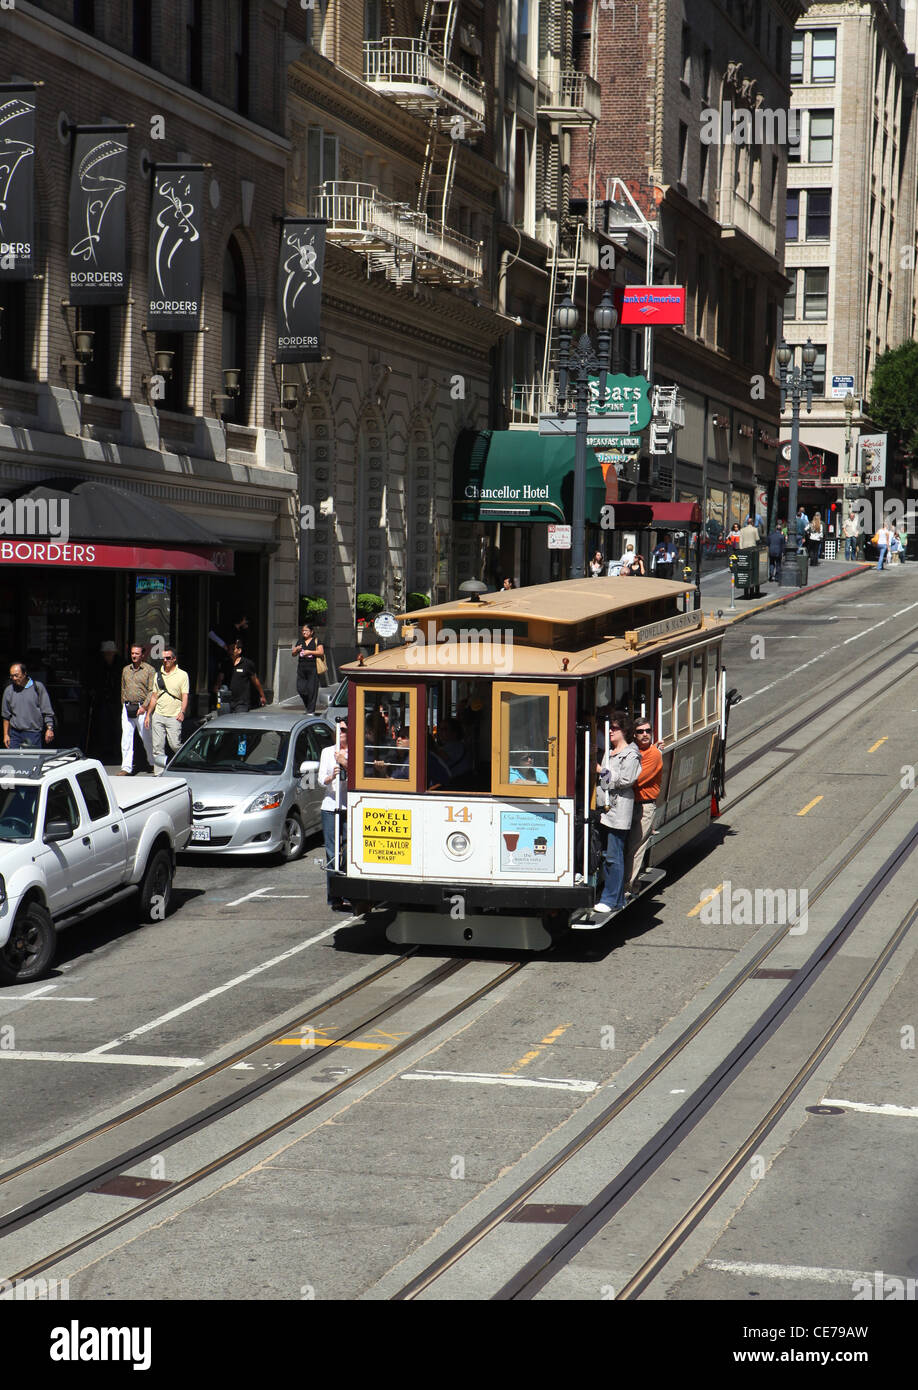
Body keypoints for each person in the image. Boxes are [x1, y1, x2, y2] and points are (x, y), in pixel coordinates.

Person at [593, 710, 641, 916]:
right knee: (605, 854)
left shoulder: (631, 753)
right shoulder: (610, 751)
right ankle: (617, 898)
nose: (610, 731)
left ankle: (610, 899)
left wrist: (600, 772)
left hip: (618, 810)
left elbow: (624, 780)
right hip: (605, 809)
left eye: (614, 728)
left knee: (614, 856)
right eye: (609, 728)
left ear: (624, 730)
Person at [623, 717, 663, 895]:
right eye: (640, 731)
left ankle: (628, 887)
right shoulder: (632, 750)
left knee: (636, 848)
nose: (645, 734)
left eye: (648, 731)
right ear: (634, 734)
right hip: (628, 804)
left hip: (643, 807)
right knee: (626, 846)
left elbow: (635, 780)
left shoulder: (653, 754)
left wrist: (611, 774)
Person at [319, 722, 349, 910]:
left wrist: (345, 762)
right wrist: (332, 775)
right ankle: (334, 896)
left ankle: (348, 890)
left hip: (349, 806)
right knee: (331, 852)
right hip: (330, 805)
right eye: (338, 730)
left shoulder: (355, 751)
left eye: (344, 730)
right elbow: (321, 780)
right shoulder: (327, 752)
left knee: (348, 849)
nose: (341, 733)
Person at [145, 647, 189, 774]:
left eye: (168, 658)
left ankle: (189, 763)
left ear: (174, 659)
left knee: (175, 745)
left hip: (174, 716)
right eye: (163, 658)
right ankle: (159, 773)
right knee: (157, 747)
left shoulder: (182, 675)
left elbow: (185, 695)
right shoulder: (158, 674)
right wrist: (149, 714)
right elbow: (154, 696)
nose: (165, 660)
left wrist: (182, 712)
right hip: (158, 715)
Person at [119, 643, 156, 775]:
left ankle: (153, 763)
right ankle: (126, 768)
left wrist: (145, 707)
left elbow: (152, 690)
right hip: (127, 706)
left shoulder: (149, 670)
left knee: (146, 737)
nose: (134, 656)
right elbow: (123, 687)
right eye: (132, 653)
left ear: (143, 655)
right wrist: (124, 701)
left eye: (137, 653)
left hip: (142, 707)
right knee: (126, 738)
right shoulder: (126, 669)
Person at [2, 662, 55, 749]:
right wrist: (6, 735)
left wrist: (49, 728)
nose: (14, 678)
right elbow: (6, 716)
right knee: (13, 759)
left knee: (32, 760)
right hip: (15, 734)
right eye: (12, 676)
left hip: (33, 733)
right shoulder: (9, 690)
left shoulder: (37, 687)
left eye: (16, 675)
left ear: (24, 674)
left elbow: (47, 710)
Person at [225, 641, 267, 713]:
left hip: (242, 703)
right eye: (229, 649)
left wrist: (262, 695)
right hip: (227, 701)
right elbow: (221, 677)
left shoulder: (247, 664)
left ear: (239, 651)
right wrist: (217, 685)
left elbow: (255, 680)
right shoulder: (226, 663)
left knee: (239, 721)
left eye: (233, 649)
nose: (230, 651)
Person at [292, 623, 324, 714]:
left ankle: (311, 710)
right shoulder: (300, 641)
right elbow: (293, 654)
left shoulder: (316, 641)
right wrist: (296, 649)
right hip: (301, 668)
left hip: (313, 668)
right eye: (303, 631)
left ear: (311, 632)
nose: (304, 632)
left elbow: (321, 652)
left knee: (312, 690)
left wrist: (309, 652)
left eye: (306, 630)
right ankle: (308, 705)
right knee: (301, 689)